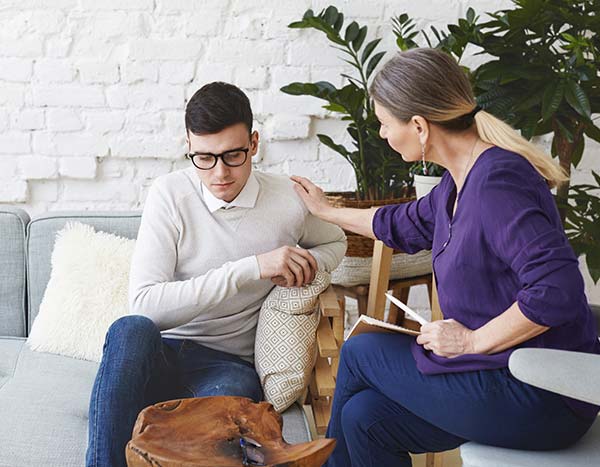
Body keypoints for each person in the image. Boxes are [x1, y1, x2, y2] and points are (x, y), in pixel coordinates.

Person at [292, 48, 600, 467]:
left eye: (385, 123)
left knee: (363, 352)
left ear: (419, 126)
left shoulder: (497, 184)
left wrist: (472, 341)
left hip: (543, 392)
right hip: (494, 374)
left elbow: (556, 291)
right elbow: (398, 223)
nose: (381, 133)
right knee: (364, 417)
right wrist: (327, 210)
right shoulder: (456, 184)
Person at [86, 82, 347, 467]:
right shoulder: (169, 194)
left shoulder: (287, 199)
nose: (219, 173)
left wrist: (306, 263)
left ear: (254, 144)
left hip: (226, 364)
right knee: (130, 328)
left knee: (234, 409)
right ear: (189, 147)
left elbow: (336, 241)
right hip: (160, 351)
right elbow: (146, 306)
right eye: (204, 158)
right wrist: (252, 267)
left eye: (233, 155)